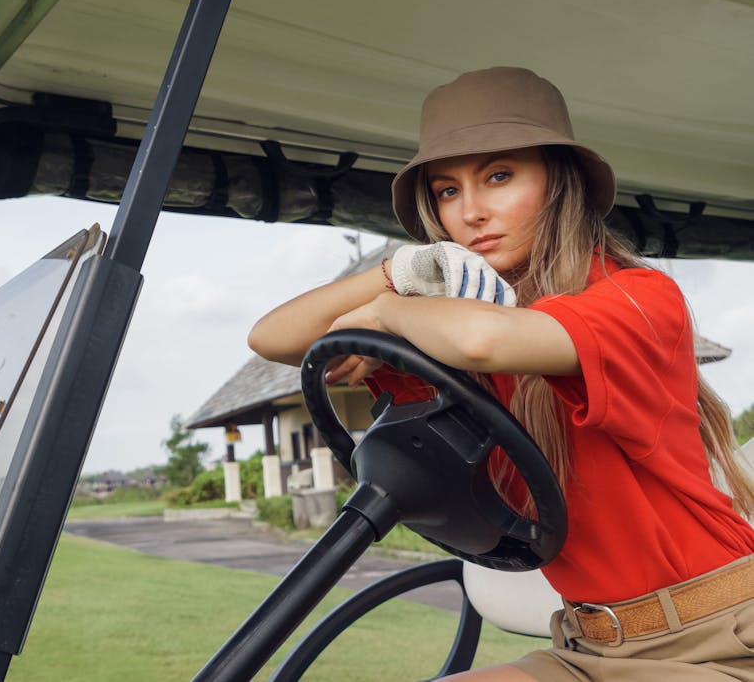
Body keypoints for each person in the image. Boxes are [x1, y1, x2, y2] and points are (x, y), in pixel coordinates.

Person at [248, 66, 754, 680]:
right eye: (447, 191)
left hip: (722, 637)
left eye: (499, 176)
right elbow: (271, 338)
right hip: (587, 645)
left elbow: (485, 340)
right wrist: (405, 272)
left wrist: (385, 310)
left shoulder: (637, 299)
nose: (471, 212)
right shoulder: (447, 342)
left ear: (559, 184)